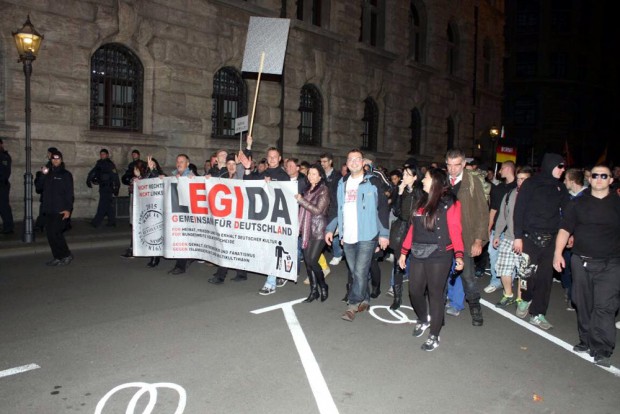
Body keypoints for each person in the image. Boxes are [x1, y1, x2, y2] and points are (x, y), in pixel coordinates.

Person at [553, 164, 620, 367]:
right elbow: (565, 229)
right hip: (580, 262)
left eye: (604, 176)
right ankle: (586, 339)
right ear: (590, 179)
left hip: (611, 264)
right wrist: (557, 253)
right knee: (582, 303)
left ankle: (602, 347)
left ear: (610, 180)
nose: (599, 179)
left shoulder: (618, 204)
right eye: (595, 175)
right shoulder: (577, 204)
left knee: (605, 306)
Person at [398, 168, 464, 351]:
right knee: (415, 290)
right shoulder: (422, 201)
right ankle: (423, 318)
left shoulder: (450, 202)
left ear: (435, 181)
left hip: (440, 254)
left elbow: (455, 230)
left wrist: (459, 255)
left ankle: (434, 335)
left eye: (426, 178)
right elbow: (413, 229)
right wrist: (404, 252)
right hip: (418, 252)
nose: (423, 181)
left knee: (435, 294)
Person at [325, 149, 390, 322]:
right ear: (346, 163)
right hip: (348, 235)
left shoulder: (373, 182)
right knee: (355, 272)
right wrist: (330, 229)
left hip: (367, 235)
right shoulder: (341, 184)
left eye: (357, 159)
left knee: (360, 271)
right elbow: (335, 208)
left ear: (363, 163)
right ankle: (365, 299)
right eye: (350, 159)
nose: (354, 162)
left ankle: (352, 306)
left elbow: (383, 208)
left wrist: (383, 234)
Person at [513, 153, 569, 329]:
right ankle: (526, 299)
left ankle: (538, 313)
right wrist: (518, 237)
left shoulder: (560, 188)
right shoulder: (531, 184)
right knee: (527, 276)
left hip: (551, 240)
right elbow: (519, 210)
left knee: (545, 279)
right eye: (559, 166)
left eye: (563, 167)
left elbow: (568, 214)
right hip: (529, 238)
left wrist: (569, 234)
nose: (562, 170)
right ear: (550, 165)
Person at [239, 144, 290, 295]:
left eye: (275, 157)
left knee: (271, 250)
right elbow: (249, 183)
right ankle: (281, 273)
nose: (272, 159)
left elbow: (286, 196)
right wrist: (247, 168)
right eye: (270, 157)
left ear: (280, 159)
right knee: (267, 250)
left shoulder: (283, 175)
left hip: (276, 219)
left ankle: (271, 283)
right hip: (263, 219)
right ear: (267, 159)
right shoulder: (263, 172)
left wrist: (272, 185)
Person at [446, 148, 489, 326]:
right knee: (440, 273)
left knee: (468, 276)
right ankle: (442, 303)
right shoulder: (442, 181)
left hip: (465, 237)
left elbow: (482, 212)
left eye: (457, 165)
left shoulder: (473, 181)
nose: (453, 169)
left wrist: (478, 240)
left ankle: (475, 308)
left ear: (463, 164)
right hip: (443, 236)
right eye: (449, 165)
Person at [493, 166, 533, 307]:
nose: (520, 182)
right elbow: (502, 218)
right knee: (504, 268)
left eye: (524, 179)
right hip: (508, 238)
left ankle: (520, 298)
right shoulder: (509, 194)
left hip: (525, 240)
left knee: (523, 272)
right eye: (518, 179)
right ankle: (508, 294)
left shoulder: (534, 197)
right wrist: (497, 234)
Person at [388, 160, 423, 309]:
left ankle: (421, 295)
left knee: (418, 266)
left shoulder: (420, 191)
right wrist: (400, 192)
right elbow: (396, 211)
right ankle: (397, 298)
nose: (404, 177)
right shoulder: (401, 190)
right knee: (397, 265)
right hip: (402, 229)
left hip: (416, 229)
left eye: (408, 175)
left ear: (415, 177)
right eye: (404, 174)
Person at [209, 153, 248, 283]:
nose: (231, 167)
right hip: (226, 217)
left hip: (238, 216)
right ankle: (237, 273)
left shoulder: (240, 175)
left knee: (233, 244)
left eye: (233, 164)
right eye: (229, 164)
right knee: (226, 244)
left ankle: (222, 275)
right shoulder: (224, 177)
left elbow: (243, 167)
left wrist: (247, 147)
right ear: (226, 165)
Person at [295, 164, 331, 302]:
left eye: (314, 174)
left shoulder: (323, 190)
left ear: (320, 176)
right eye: (309, 173)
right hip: (305, 230)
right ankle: (313, 290)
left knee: (312, 260)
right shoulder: (306, 190)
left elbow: (317, 210)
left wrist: (301, 200)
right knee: (308, 263)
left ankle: (323, 286)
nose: (311, 176)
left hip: (318, 230)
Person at [35, 150, 74, 266]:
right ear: (50, 160)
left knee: (56, 233)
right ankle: (57, 256)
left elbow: (69, 193)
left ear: (61, 160)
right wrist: (42, 175)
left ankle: (66, 255)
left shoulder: (66, 174)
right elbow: (38, 188)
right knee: (50, 234)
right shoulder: (47, 173)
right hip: (48, 209)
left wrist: (68, 209)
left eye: (58, 158)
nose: (55, 160)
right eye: (53, 158)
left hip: (60, 209)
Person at [484, 161, 517, 293]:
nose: (499, 171)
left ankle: (509, 282)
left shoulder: (519, 188)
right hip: (498, 230)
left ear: (508, 169)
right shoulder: (498, 189)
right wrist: (488, 228)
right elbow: (493, 210)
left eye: (502, 168)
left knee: (511, 260)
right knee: (493, 255)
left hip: (512, 231)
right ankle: (496, 281)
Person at [560, 168, 588, 309]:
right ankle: (568, 290)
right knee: (565, 265)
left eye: (565, 179)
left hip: (581, 241)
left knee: (577, 270)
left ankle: (574, 297)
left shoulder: (587, 196)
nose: (564, 182)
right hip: (565, 238)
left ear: (572, 181)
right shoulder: (566, 196)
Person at [167, 154, 196, 275]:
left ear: (187, 164)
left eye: (182, 161)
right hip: (178, 212)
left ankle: (181, 265)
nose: (179, 164)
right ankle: (186, 260)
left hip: (187, 214)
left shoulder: (191, 176)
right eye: (177, 161)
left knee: (183, 239)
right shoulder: (174, 175)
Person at [320, 152, 345, 266]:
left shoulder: (337, 176)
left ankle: (337, 254)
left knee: (333, 232)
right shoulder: (320, 175)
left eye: (325, 161)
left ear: (330, 162)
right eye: (321, 162)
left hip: (333, 207)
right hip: (323, 208)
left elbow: (337, 194)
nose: (323, 164)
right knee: (327, 231)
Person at [86, 148, 120, 228]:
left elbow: (115, 176)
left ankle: (96, 222)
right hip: (102, 186)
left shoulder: (110, 164)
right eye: (101, 154)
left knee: (102, 205)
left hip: (108, 187)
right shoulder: (99, 163)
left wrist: (117, 187)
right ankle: (112, 221)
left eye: (103, 154)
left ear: (107, 155)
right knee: (107, 205)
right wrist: (89, 179)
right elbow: (93, 172)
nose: (102, 155)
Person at [0, 138, 14, 234]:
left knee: (3, 207)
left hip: (2, 185)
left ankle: (8, 227)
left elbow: (5, 172)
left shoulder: (4, 156)